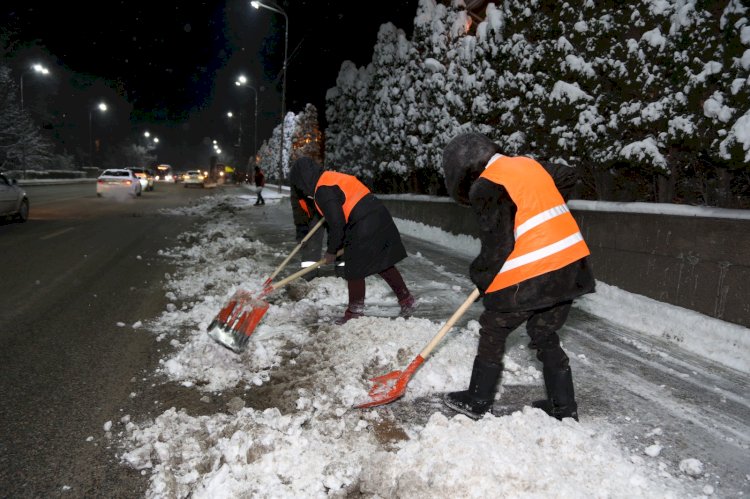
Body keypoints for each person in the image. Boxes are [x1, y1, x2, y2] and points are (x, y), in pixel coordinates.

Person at [440, 132, 595, 421]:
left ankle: (477, 400)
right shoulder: (528, 165)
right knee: (544, 331)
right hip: (572, 263)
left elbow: (497, 248)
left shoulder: (486, 186)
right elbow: (567, 175)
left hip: (537, 268)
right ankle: (563, 407)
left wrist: (483, 278)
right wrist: (536, 206)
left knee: (493, 327)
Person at [289, 156, 417, 324]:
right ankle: (406, 299)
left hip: (363, 221)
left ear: (302, 179)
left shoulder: (322, 190)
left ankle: (354, 313)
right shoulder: (328, 177)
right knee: (382, 262)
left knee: (354, 268)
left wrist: (331, 251)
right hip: (377, 214)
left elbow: (337, 224)